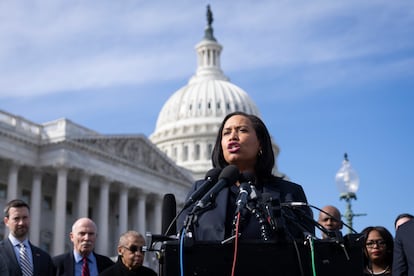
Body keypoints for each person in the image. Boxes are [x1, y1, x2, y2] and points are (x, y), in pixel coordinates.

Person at [177, 111, 314, 242]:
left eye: (242, 130)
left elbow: (309, 249)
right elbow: (181, 242)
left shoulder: (289, 193)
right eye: (226, 133)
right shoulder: (201, 192)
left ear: (260, 143)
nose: (233, 137)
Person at [0, 199, 55, 275]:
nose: (21, 223)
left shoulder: (44, 258)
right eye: (16, 218)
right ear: (6, 221)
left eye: (25, 218)